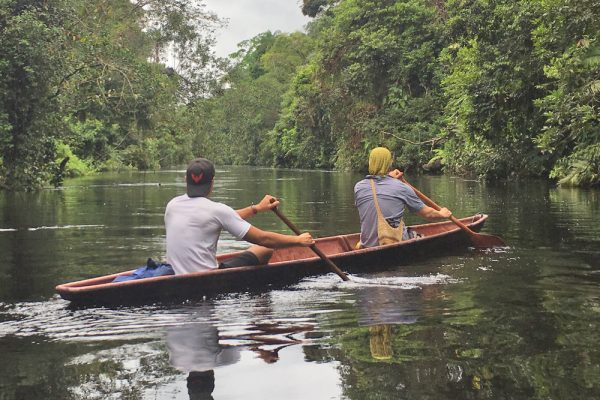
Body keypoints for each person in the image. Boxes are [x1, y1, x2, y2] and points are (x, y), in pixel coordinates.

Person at [165, 158, 314, 274]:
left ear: (186, 180)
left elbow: (223, 219)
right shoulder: (217, 210)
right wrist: (298, 240)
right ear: (212, 183)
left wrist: (256, 208)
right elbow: (263, 239)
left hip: (175, 275)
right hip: (208, 277)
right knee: (265, 249)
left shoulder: (172, 205)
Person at [354, 147, 452, 248]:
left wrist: (389, 178)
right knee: (417, 236)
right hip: (394, 242)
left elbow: (379, 189)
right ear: (389, 163)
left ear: (370, 162)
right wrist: (442, 214)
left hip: (367, 244)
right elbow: (428, 214)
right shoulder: (400, 187)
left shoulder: (358, 187)